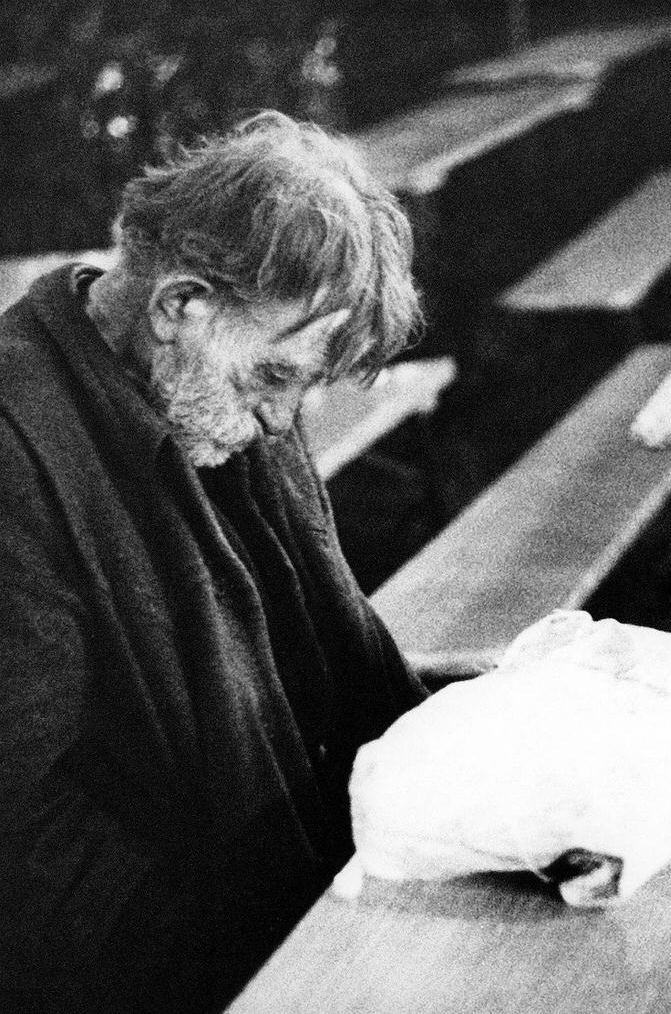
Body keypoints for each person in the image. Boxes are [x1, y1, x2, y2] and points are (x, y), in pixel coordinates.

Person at [0, 111, 475, 1013]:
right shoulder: (15, 453)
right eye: (273, 378)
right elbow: (23, 846)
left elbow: (325, 670)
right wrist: (289, 964)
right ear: (181, 303)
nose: (281, 421)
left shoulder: (216, 387)